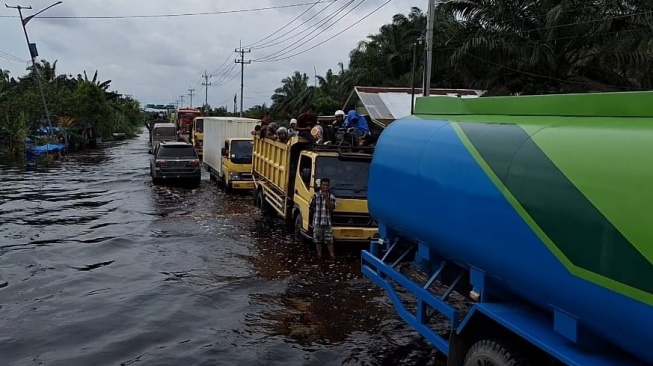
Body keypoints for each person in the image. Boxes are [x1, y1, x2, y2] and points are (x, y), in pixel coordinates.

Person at [309, 178, 336, 259]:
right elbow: (311, 208)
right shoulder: (315, 196)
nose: (325, 187)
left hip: (327, 222)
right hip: (317, 221)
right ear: (320, 185)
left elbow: (332, 208)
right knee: (318, 240)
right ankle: (319, 254)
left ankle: (332, 255)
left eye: (326, 185)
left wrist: (326, 199)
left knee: (329, 240)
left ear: (328, 186)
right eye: (323, 185)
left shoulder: (331, 197)